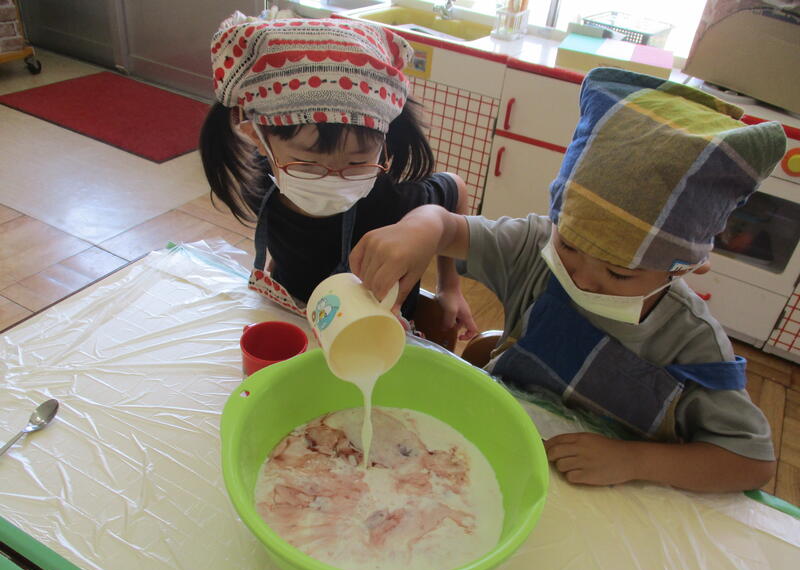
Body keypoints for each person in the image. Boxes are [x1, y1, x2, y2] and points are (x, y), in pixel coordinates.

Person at [350, 67, 788, 493]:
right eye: (570, 246)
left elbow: (750, 463)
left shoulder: (692, 341)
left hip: (612, 495)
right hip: (500, 462)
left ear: (685, 266)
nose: (582, 278)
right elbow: (446, 226)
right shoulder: (536, 248)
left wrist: (634, 460)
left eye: (618, 272)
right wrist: (420, 228)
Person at [199, 12, 477, 337]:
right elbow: (294, 244)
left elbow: (456, 189)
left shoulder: (392, 202)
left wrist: (449, 287)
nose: (334, 178)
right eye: (306, 164)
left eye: (357, 162)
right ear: (257, 138)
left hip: (375, 339)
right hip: (297, 325)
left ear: (383, 143)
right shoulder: (261, 182)